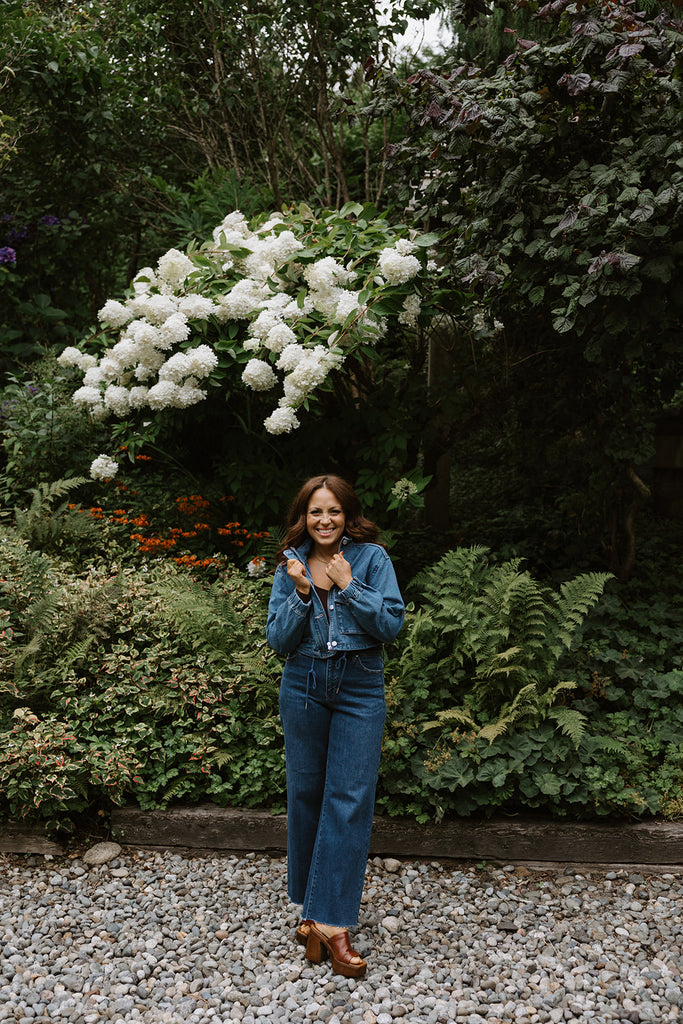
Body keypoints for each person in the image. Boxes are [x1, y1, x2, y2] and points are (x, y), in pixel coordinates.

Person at [266, 474, 405, 978]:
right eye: (315, 512)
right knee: (306, 794)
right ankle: (314, 912)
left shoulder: (371, 560)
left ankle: (332, 923)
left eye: (334, 512)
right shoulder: (292, 565)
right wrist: (302, 594)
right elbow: (277, 641)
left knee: (349, 798)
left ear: (348, 515)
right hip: (302, 682)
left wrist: (349, 586)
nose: (324, 521)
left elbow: (390, 625)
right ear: (303, 517)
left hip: (359, 686)